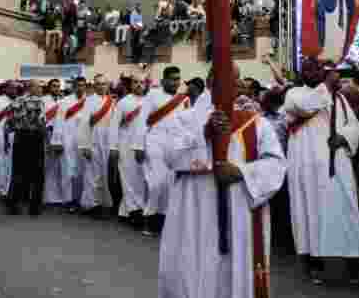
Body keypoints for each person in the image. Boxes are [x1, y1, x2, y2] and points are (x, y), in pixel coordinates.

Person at [157, 65, 287, 298]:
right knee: (193, 268)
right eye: (230, 78)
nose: (236, 84)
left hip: (239, 211)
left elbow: (276, 164)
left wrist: (240, 172)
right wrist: (205, 134)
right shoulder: (184, 119)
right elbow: (169, 155)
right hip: (194, 210)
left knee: (232, 275)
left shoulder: (256, 123)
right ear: (210, 82)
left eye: (238, 80)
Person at [284, 60, 359, 284]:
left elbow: (353, 124)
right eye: (306, 69)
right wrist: (326, 85)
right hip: (305, 166)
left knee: (346, 209)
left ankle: (356, 267)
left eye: (315, 69)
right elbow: (306, 107)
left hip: (335, 164)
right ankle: (311, 267)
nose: (310, 73)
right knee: (307, 213)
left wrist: (344, 136)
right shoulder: (294, 93)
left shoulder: (339, 98)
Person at [138, 66, 191, 237]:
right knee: (156, 183)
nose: (175, 82)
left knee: (170, 184)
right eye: (172, 79)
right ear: (163, 80)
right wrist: (139, 146)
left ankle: (164, 221)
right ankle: (148, 218)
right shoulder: (152, 95)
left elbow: (187, 125)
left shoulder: (183, 99)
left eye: (178, 79)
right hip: (155, 141)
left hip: (175, 144)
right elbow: (142, 121)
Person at [7, 79, 49, 215]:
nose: (41, 89)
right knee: (37, 173)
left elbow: (10, 120)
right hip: (34, 137)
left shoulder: (17, 100)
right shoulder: (38, 101)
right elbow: (41, 121)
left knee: (18, 171)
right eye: (39, 87)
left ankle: (13, 204)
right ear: (31, 88)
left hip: (20, 137)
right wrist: (45, 136)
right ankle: (34, 207)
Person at [112, 76, 147, 227]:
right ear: (131, 85)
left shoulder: (149, 101)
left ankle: (124, 211)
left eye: (141, 82)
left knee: (141, 180)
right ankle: (135, 212)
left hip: (145, 145)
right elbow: (114, 126)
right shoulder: (124, 102)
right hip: (126, 145)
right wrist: (113, 147)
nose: (139, 85)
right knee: (128, 179)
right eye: (136, 82)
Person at [79, 73, 116, 214]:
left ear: (108, 86)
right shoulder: (89, 101)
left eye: (104, 84)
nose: (102, 86)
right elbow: (84, 124)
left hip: (107, 140)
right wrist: (85, 146)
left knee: (104, 174)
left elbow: (114, 124)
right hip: (93, 139)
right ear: (94, 86)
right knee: (92, 174)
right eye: (99, 84)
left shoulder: (112, 101)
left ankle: (102, 202)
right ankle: (90, 204)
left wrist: (114, 144)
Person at [54, 76, 88, 211]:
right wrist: (57, 141)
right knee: (68, 170)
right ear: (74, 86)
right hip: (67, 140)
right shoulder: (65, 101)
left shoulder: (90, 101)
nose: (80, 88)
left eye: (83, 85)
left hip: (84, 141)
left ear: (86, 87)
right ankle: (68, 199)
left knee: (83, 171)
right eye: (78, 85)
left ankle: (81, 199)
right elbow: (58, 121)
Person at [43, 79, 67, 205]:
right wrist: (47, 139)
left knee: (60, 166)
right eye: (54, 86)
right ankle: (48, 196)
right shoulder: (44, 100)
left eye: (58, 86)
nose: (56, 88)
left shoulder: (64, 100)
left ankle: (60, 195)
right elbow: (43, 120)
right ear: (49, 87)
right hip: (48, 134)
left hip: (61, 136)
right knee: (48, 166)